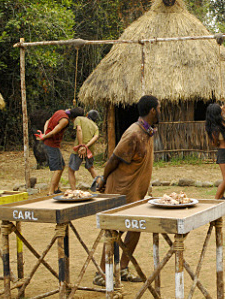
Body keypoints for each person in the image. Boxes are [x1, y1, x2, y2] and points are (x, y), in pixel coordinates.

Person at [93, 95, 160, 286]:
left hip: (135, 194)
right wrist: (103, 179)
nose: (161, 111)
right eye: (159, 107)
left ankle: (122, 268)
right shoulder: (134, 134)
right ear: (152, 111)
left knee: (136, 229)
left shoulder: (147, 132)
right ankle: (102, 273)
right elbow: (114, 159)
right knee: (115, 231)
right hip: (120, 192)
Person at [36, 107, 85, 195]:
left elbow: (48, 121)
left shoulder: (60, 111)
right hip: (51, 144)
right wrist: (45, 136)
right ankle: (51, 192)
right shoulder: (65, 120)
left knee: (62, 166)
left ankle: (56, 189)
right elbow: (55, 130)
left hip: (52, 143)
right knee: (58, 169)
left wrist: (45, 133)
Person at [68, 110, 100, 190]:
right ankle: (102, 185)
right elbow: (95, 138)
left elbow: (79, 130)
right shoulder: (96, 127)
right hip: (89, 151)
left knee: (71, 170)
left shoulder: (79, 118)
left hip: (78, 150)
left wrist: (81, 146)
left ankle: (74, 191)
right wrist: (86, 146)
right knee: (91, 168)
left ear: (87, 115)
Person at [205, 103, 225, 201]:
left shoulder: (220, 124)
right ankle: (216, 199)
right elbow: (214, 143)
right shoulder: (215, 129)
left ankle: (221, 196)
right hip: (223, 153)